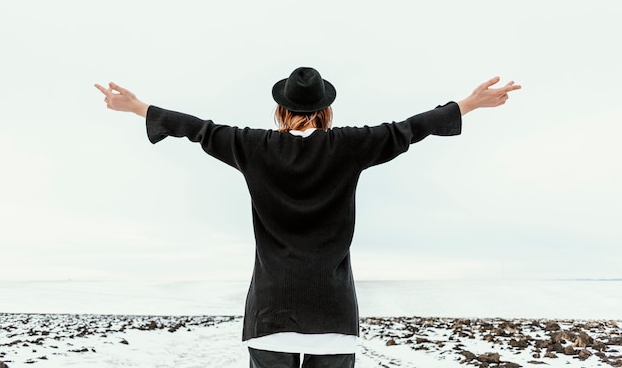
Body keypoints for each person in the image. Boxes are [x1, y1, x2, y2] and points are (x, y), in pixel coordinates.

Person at [95, 67, 520, 368]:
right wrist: (469, 104)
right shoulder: (349, 146)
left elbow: (198, 128)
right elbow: (407, 129)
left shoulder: (253, 146)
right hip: (332, 312)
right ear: (326, 110)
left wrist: (139, 108)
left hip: (271, 312)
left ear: (281, 111)